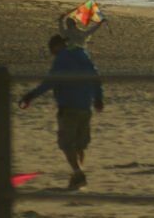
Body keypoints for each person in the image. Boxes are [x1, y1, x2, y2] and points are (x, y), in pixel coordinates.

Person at [19, 35, 104, 190]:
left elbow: (50, 81)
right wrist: (99, 98)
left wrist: (30, 96)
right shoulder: (82, 54)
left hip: (69, 107)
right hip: (85, 106)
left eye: (52, 50)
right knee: (80, 145)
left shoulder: (62, 58)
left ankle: (78, 173)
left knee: (66, 144)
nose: (52, 54)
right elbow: (95, 77)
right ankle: (78, 176)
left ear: (57, 46)